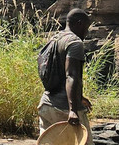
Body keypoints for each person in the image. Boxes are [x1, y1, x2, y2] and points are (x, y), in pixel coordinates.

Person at [38, 8, 93, 139]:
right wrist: (73, 110)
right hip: (63, 110)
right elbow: (71, 76)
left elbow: (55, 75)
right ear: (79, 23)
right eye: (86, 27)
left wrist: (79, 96)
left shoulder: (54, 40)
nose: (86, 32)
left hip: (47, 106)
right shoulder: (75, 43)